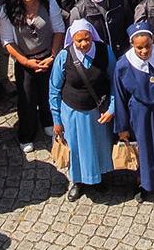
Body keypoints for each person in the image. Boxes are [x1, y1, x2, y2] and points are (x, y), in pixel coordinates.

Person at [49, 19, 116, 202]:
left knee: (99, 146)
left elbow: (114, 81)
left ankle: (98, 177)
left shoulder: (105, 51)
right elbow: (54, 89)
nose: (84, 44)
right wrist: (56, 119)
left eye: (87, 39)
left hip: (98, 111)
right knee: (77, 148)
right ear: (73, 40)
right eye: (79, 41)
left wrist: (112, 108)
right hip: (73, 113)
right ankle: (78, 181)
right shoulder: (64, 56)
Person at [113, 22, 154, 202]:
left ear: (153, 41)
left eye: (147, 46)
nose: (144, 51)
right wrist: (122, 126)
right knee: (142, 149)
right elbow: (119, 97)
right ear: (132, 45)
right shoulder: (123, 65)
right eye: (139, 48)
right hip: (138, 114)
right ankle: (143, 184)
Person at [0, 0, 64, 152]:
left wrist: (52, 56)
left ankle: (48, 120)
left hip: (48, 56)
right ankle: (27, 134)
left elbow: (59, 30)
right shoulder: (8, 9)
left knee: (48, 93)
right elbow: (7, 41)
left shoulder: (48, 2)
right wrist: (25, 62)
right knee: (27, 98)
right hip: (25, 60)